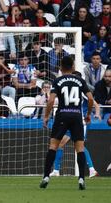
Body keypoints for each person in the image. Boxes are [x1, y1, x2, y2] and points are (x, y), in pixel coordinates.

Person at [40, 56, 94, 190]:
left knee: (53, 146)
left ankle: (46, 176)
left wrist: (46, 116)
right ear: (73, 66)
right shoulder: (80, 80)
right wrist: (87, 115)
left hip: (62, 114)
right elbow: (91, 98)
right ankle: (81, 178)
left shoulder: (58, 80)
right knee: (80, 148)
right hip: (76, 116)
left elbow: (51, 101)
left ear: (61, 67)